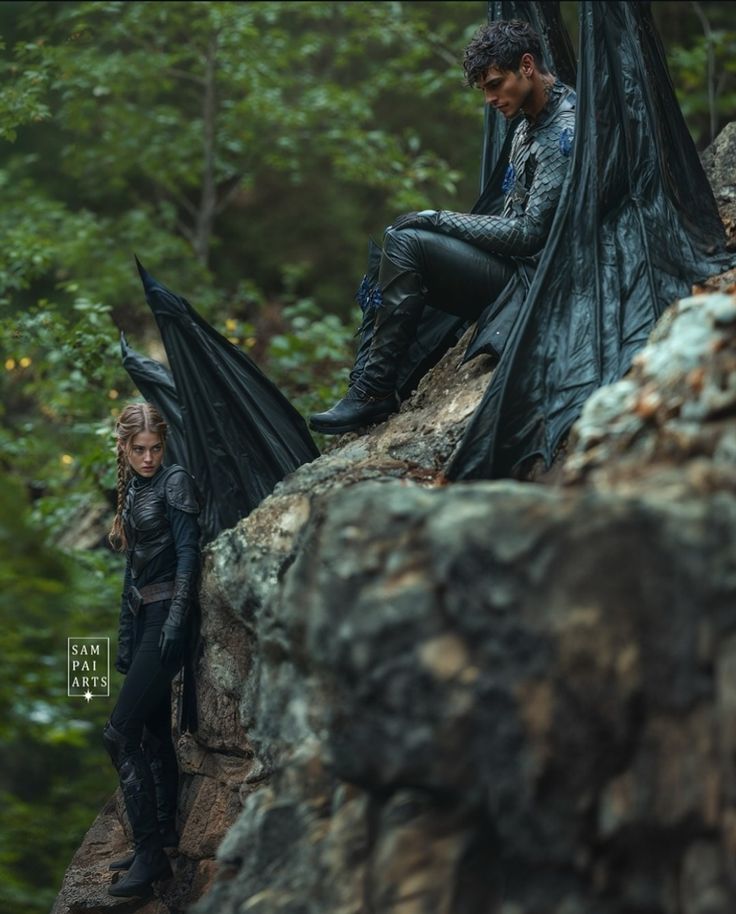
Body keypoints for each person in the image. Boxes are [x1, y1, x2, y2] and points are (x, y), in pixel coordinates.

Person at [309, 19, 575, 436]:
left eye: (495, 84)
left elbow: (528, 235)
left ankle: (374, 394)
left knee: (411, 242)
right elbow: (510, 221)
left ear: (527, 65)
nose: (489, 99)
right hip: (515, 272)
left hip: (538, 285)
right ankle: (369, 387)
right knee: (399, 243)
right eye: (484, 89)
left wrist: (438, 219)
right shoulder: (527, 123)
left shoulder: (563, 128)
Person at [103, 402, 201, 899]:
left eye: (155, 448)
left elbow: (188, 553)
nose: (148, 458)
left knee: (118, 733)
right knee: (147, 730)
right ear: (123, 446)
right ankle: (161, 833)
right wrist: (125, 636)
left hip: (167, 617)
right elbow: (131, 572)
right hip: (144, 619)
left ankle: (149, 857)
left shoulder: (174, 481)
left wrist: (179, 618)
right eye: (139, 449)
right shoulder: (135, 488)